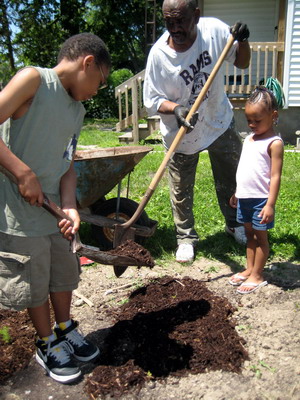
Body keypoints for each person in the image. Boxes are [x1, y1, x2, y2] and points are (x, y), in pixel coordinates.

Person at [0, 33, 111, 383]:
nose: (98, 90)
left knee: (62, 271)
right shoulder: (33, 80)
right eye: (101, 81)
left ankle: (64, 328)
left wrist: (69, 207)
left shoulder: (77, 110)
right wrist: (22, 172)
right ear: (87, 63)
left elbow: (67, 165)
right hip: (17, 212)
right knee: (34, 279)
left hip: (52, 209)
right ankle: (47, 342)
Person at [143, 0, 251, 263]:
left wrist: (244, 40)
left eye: (180, 20)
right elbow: (152, 100)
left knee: (232, 176)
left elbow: (242, 63)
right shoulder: (159, 55)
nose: (175, 28)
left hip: (217, 120)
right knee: (181, 187)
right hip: (181, 131)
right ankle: (185, 238)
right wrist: (176, 109)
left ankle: (234, 224)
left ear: (197, 15)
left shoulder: (213, 31)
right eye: (169, 22)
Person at [228, 87, 284, 294]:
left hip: (261, 200)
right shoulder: (248, 139)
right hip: (245, 197)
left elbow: (275, 176)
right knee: (249, 235)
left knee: (261, 238)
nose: (252, 125)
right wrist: (237, 191)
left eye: (257, 121)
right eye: (248, 120)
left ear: (273, 116)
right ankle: (250, 269)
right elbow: (244, 168)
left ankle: (258, 276)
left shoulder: (274, 143)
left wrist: (270, 204)